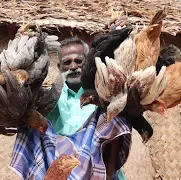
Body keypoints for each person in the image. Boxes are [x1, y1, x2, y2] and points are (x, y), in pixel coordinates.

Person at [9, 37, 130, 180]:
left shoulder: (104, 96)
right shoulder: (47, 98)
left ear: (88, 63)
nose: (73, 67)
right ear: (59, 67)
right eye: (67, 62)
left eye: (78, 61)